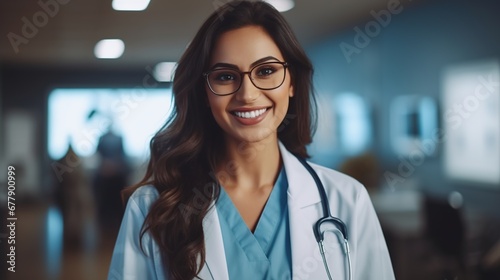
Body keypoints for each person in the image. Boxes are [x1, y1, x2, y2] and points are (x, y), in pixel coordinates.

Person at [108, 1, 395, 279]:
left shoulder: (347, 200)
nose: (247, 94)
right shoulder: (153, 207)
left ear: (292, 81)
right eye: (225, 76)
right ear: (204, 94)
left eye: (266, 71)